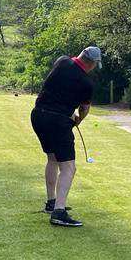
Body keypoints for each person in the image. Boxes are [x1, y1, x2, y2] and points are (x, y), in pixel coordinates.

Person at [30, 46, 101, 227]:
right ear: (93, 64)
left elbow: (58, 88)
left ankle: (51, 202)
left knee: (53, 158)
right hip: (57, 121)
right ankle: (59, 212)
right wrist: (78, 121)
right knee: (69, 167)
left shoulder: (62, 61)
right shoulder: (86, 82)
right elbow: (84, 108)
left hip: (38, 115)